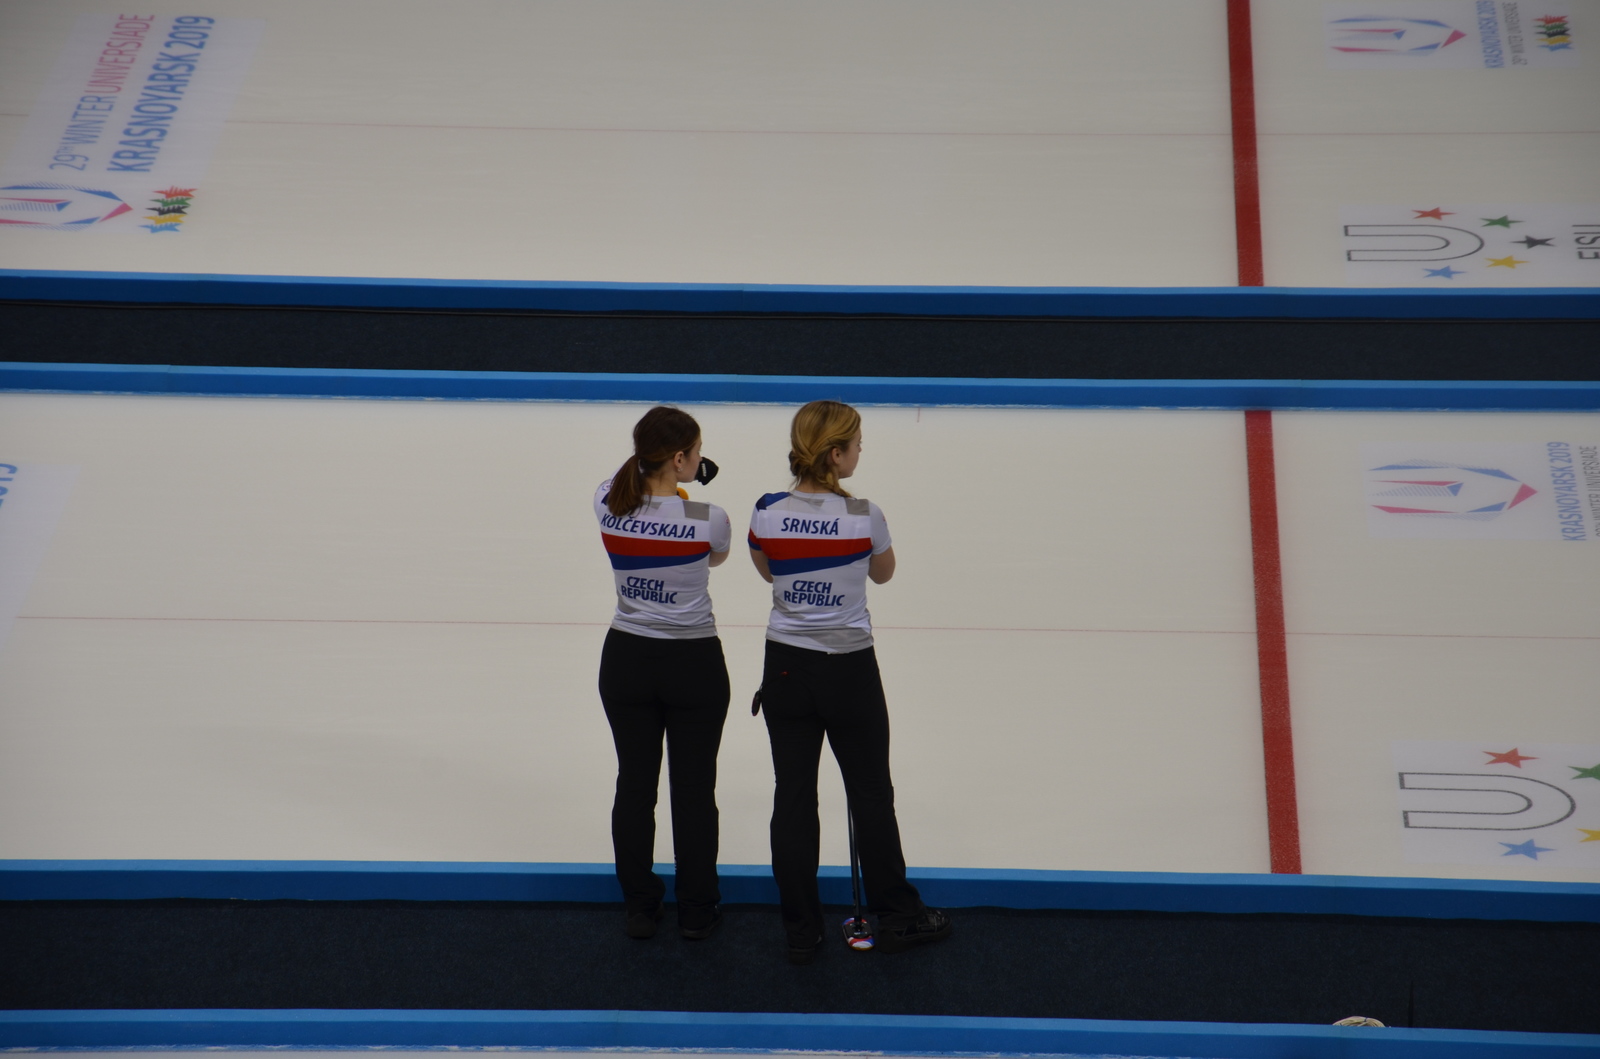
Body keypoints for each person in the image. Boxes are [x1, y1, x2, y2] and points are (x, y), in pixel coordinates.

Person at [747, 400, 952, 964]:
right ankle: (900, 916)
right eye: (857, 444)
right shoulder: (865, 514)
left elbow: (769, 570)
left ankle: (802, 930)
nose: (862, 452)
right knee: (870, 794)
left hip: (786, 667)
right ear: (835, 454)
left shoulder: (765, 511)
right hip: (849, 671)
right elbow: (884, 574)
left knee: (792, 798)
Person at [595, 406, 732, 940]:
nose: (701, 461)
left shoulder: (606, 501)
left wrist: (668, 480)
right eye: (696, 453)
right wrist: (684, 490)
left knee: (634, 783)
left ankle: (638, 905)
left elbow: (622, 480)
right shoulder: (708, 518)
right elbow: (714, 558)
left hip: (626, 660)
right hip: (692, 663)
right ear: (678, 459)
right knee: (695, 790)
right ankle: (697, 909)